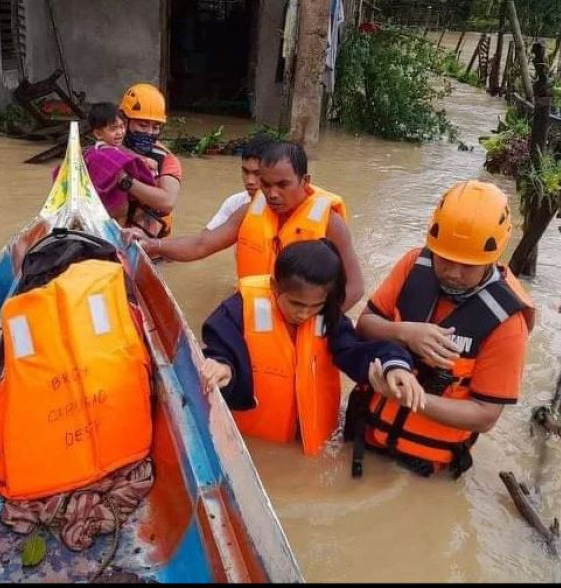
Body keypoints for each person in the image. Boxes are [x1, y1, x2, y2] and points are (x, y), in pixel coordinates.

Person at [349, 180, 535, 479]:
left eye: (468, 266)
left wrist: (407, 397)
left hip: (425, 467)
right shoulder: (413, 265)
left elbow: (485, 416)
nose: (453, 274)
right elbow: (366, 325)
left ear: (492, 257)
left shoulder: (508, 322)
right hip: (366, 436)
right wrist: (405, 332)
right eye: (445, 259)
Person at [199, 239, 424, 457]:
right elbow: (221, 349)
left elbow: (356, 352)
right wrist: (223, 367)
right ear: (274, 286)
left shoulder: (329, 318)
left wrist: (393, 364)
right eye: (296, 303)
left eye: (315, 306)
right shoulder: (237, 310)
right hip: (253, 445)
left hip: (310, 445)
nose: (304, 314)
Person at [127, 141, 365, 311]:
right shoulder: (251, 209)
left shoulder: (329, 222)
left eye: (283, 185)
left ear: (305, 181)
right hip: (256, 313)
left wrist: (320, 325)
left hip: (303, 316)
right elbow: (202, 244)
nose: (272, 194)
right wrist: (154, 245)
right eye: (267, 184)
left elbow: (355, 287)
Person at [115, 83, 183, 238]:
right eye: (143, 125)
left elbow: (167, 201)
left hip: (146, 242)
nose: (149, 132)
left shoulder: (167, 160)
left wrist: (125, 180)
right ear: (125, 121)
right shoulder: (104, 151)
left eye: (156, 127)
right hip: (108, 232)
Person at [204, 134, 273, 231]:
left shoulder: (282, 207)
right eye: (245, 171)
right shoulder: (234, 203)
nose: (250, 181)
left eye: (257, 173)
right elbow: (205, 239)